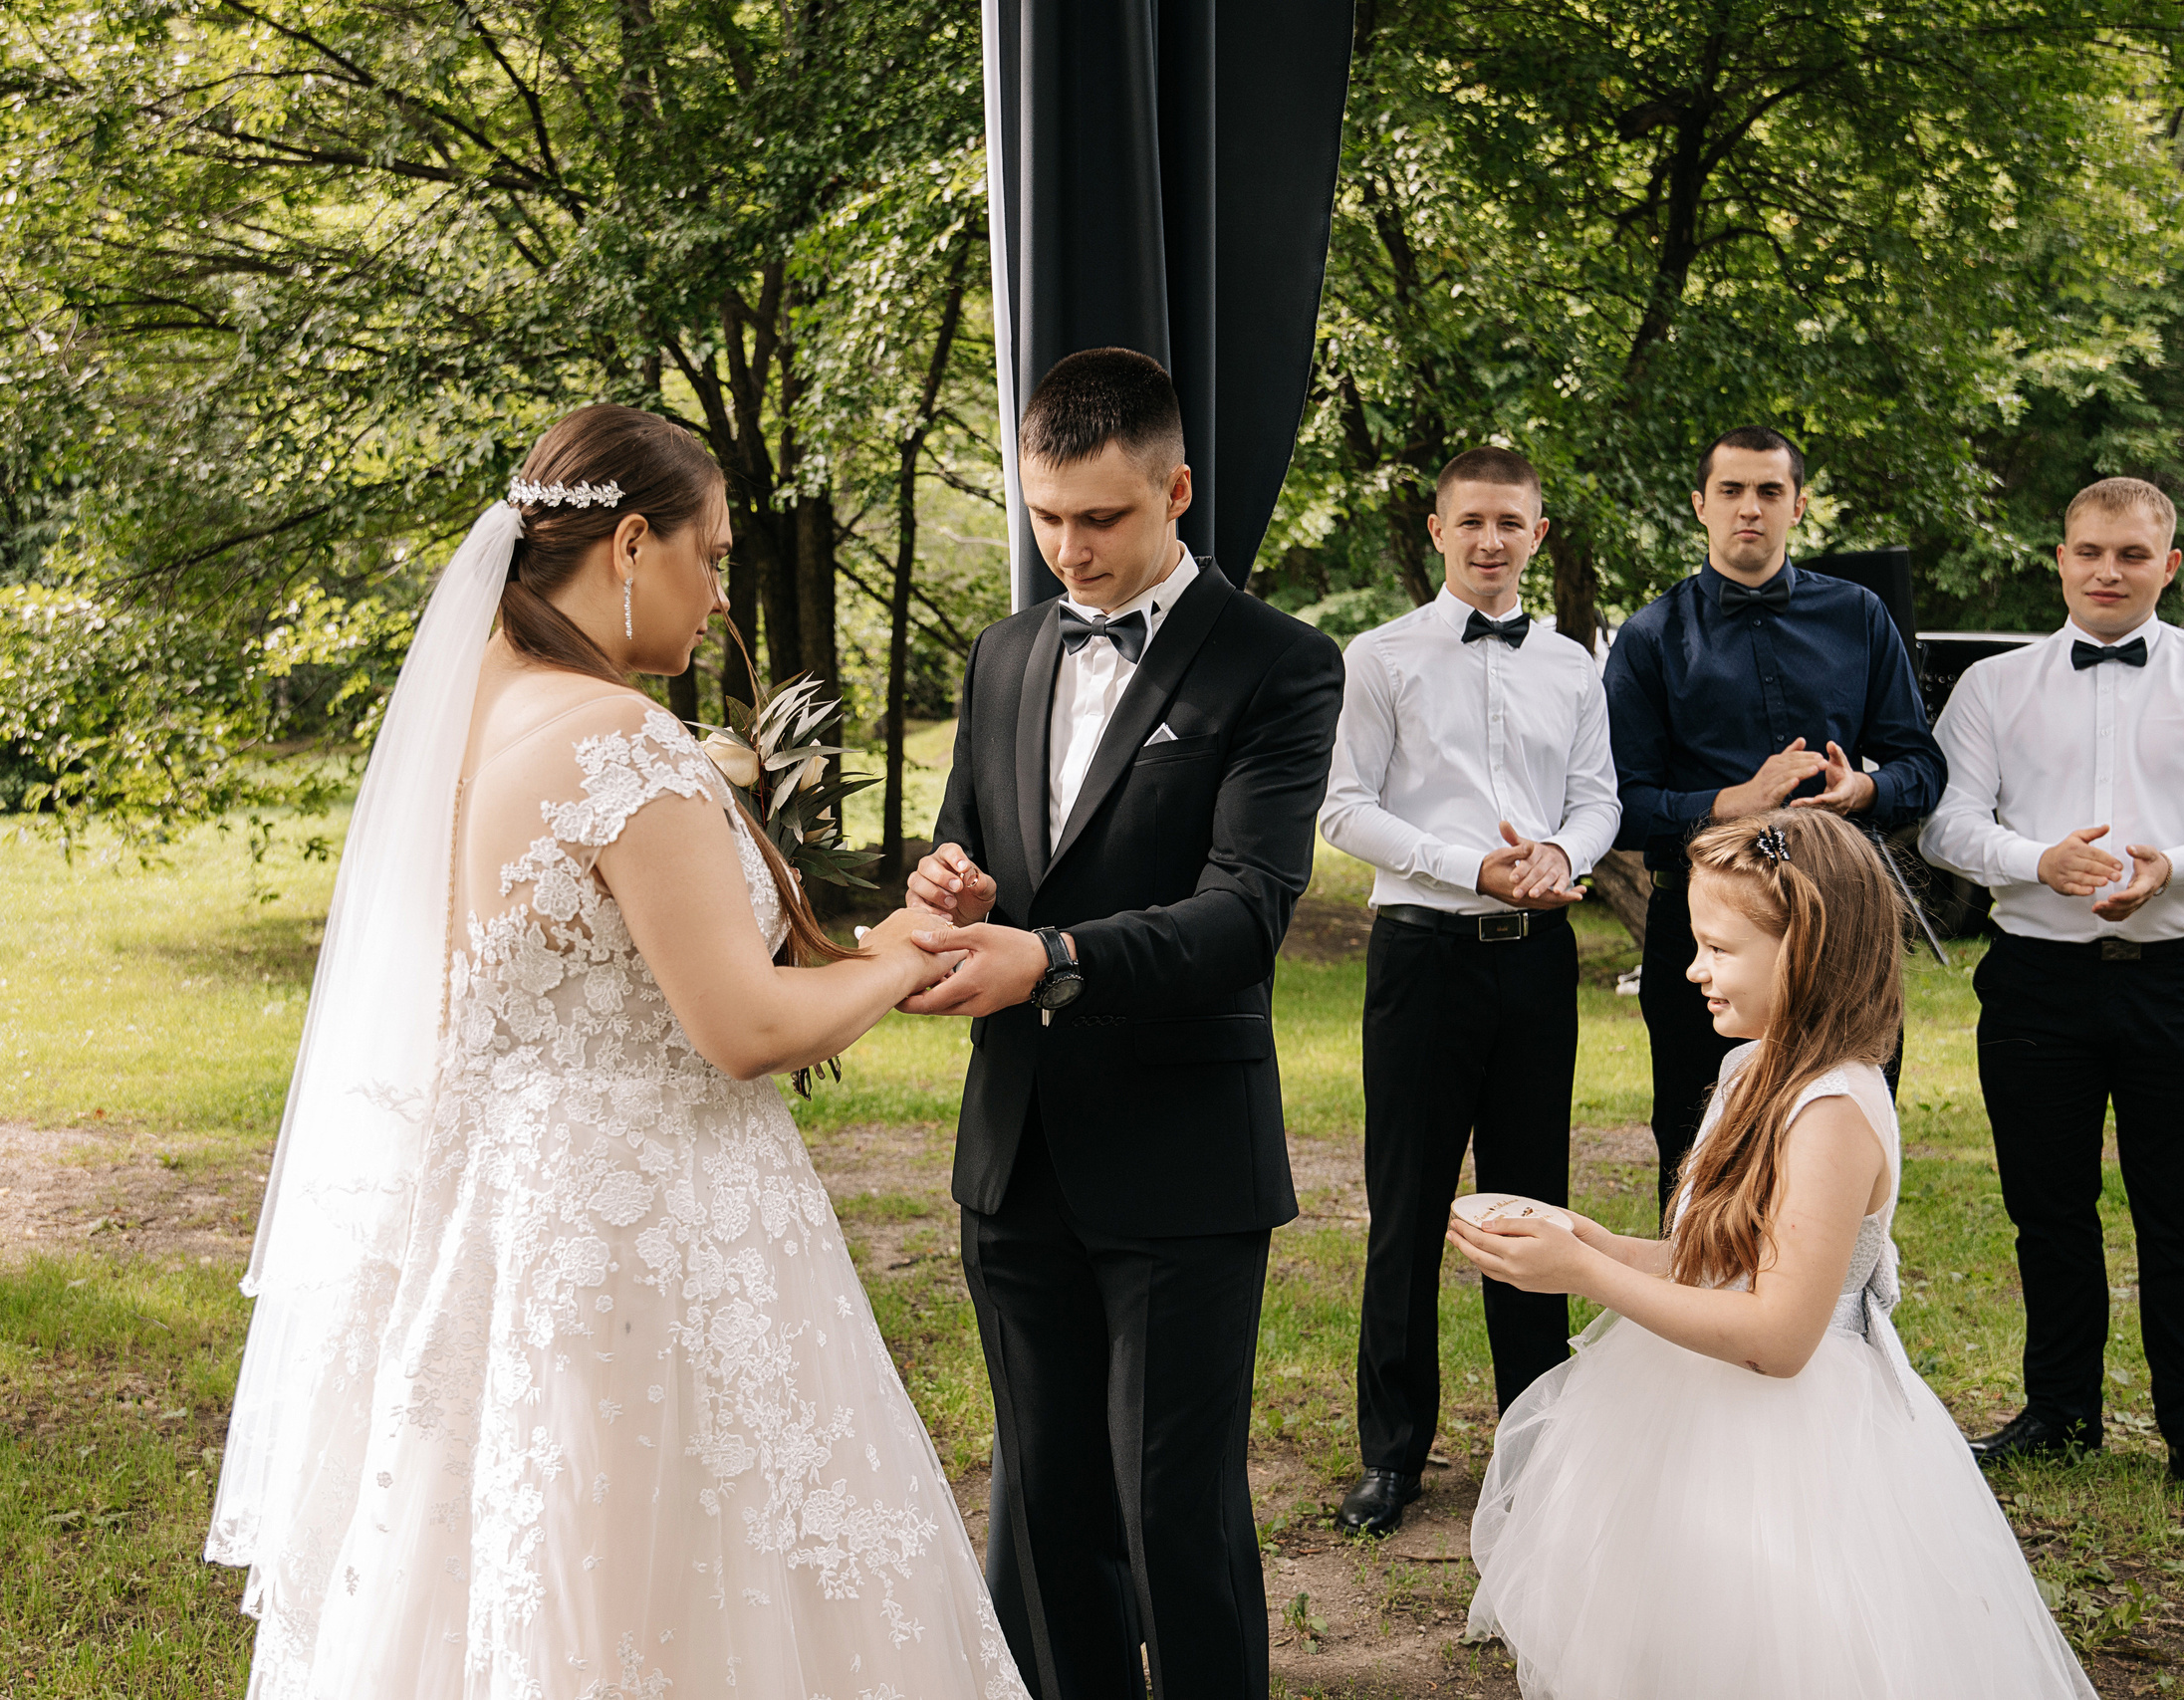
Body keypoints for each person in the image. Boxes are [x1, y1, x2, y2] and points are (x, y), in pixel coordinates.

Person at [204, 404, 1030, 1699]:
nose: (722, 597)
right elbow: (744, 1028)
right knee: (687, 1564)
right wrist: (899, 962)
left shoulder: (478, 712)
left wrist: (865, 942)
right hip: (654, 1225)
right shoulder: (620, 740)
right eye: (712, 556)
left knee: (537, 1560)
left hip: (510, 1215)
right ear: (632, 543)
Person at [902, 348, 1343, 1700]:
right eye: (1045, 516)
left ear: (1178, 492)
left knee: (1174, 1512)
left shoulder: (1279, 663)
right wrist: (947, 884)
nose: (1069, 549)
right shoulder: (1001, 654)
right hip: (1015, 1146)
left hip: (1182, 1153)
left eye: (1100, 517)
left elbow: (1244, 913)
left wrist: (1050, 956)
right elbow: (969, 844)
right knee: (1046, 1508)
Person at [1450, 809, 2097, 1700]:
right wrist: (1588, 1241)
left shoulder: (1832, 1109)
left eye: (1719, 948)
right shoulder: (1750, 1068)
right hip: (1692, 1404)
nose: (1693, 969)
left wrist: (1586, 1278)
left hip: (1795, 1443)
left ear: (1807, 950)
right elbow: (1716, 1260)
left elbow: (1781, 1335)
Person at [1920, 477, 2184, 1519]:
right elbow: (1946, 824)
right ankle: (2060, 1412)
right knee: (2047, 1210)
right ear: (2060, 558)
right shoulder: (1993, 686)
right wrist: (2036, 858)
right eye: (2089, 551)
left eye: (2130, 554)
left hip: (2180, 978)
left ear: (2169, 564)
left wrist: (2178, 866)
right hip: (2036, 982)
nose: (2107, 571)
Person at [1315, 446, 1619, 1539]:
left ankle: (1534, 1446)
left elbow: (1597, 798)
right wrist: (1470, 866)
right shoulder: (1379, 656)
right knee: (1407, 1202)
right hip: (1423, 956)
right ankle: (1392, 1453)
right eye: (1472, 521)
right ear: (1439, 530)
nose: (1491, 540)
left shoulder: (1574, 665)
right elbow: (1342, 807)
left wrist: (1557, 854)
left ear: (1539, 534)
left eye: (1511, 522)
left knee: (1531, 1200)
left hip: (1536, 957)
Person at [1604, 426, 1945, 1209]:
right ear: (1700, 505)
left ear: (1798, 504)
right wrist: (1732, 802)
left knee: (1846, 1135)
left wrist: (1863, 790)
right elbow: (1621, 805)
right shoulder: (1651, 636)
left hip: (1841, 918)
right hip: (1704, 929)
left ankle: (1834, 1292)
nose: (1749, 508)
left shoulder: (1860, 615)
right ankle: (1699, 1293)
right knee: (1698, 1152)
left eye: (1769, 491)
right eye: (1731, 491)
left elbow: (1922, 767)